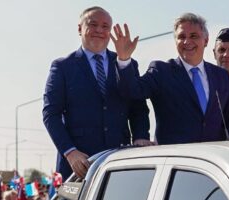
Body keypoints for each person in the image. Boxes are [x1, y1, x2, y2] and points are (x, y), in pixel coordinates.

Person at [43, 6, 152, 179]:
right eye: (93, 25)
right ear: (80, 28)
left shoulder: (125, 62)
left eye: (105, 26)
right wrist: (70, 152)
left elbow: (138, 106)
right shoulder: (63, 67)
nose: (99, 30)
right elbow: (51, 114)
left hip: (120, 160)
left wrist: (140, 136)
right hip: (80, 165)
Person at [112, 13, 229, 144]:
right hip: (176, 159)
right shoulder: (161, 71)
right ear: (175, 41)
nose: (187, 42)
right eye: (181, 37)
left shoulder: (220, 75)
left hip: (212, 159)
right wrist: (124, 59)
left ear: (206, 40)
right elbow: (133, 91)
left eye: (193, 36)